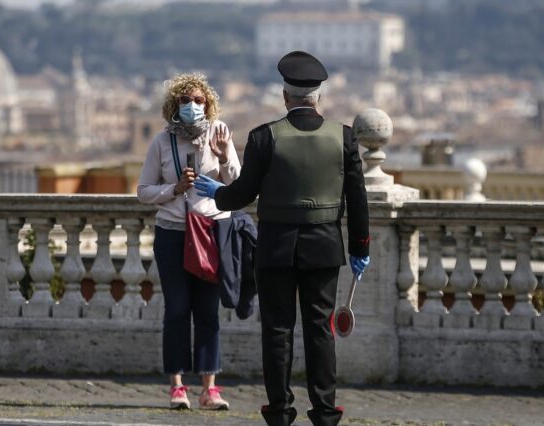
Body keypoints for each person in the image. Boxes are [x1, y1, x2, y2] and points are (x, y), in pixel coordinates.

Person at [195, 51, 371, 426]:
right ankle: (325, 410)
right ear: (318, 96)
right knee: (320, 331)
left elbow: (242, 194)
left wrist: (216, 193)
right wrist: (360, 248)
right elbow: (357, 200)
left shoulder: (264, 137)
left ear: (285, 96)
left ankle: (279, 411)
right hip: (324, 247)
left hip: (275, 247)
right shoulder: (344, 137)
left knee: (277, 331)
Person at [137, 73, 240, 411]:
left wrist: (224, 157)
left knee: (208, 312)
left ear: (208, 104)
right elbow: (143, 191)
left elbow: (237, 184)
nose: (192, 106)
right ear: (174, 106)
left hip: (210, 231)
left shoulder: (220, 133)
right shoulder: (161, 142)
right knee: (178, 310)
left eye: (198, 101)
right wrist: (175, 189)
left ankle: (210, 388)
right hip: (173, 233)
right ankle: (177, 386)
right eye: (185, 101)